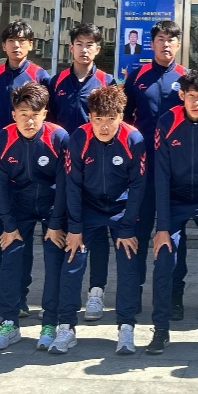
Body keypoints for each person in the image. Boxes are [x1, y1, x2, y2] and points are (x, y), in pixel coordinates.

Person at [54, 84, 146, 356]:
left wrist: (127, 226)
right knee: (72, 261)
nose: (104, 126)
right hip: (88, 207)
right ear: (90, 117)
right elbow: (72, 185)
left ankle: (126, 326)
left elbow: (138, 185)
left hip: (121, 208)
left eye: (111, 119)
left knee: (128, 264)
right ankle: (66, 326)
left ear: (121, 117)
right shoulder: (79, 138)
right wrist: (75, 227)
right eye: (98, 119)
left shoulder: (133, 139)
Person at [147, 68, 198, 357]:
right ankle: (160, 329)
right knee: (163, 258)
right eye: (191, 95)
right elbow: (161, 176)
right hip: (174, 198)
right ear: (181, 95)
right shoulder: (167, 122)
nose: (196, 102)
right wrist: (162, 228)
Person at [0, 82, 76, 352]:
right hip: (19, 206)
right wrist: (8, 225)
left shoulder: (59, 137)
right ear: (14, 114)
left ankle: (50, 323)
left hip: (52, 206)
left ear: (45, 114)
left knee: (53, 259)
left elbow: (65, 183)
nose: (29, 121)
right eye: (23, 114)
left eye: (35, 115)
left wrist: (56, 223)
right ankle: (9, 322)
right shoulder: (3, 138)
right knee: (11, 257)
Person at [0, 19, 52, 314]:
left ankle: (21, 296)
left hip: (34, 165)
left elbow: (45, 118)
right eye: (11, 40)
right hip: (3, 160)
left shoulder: (40, 76)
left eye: (22, 41)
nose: (16, 45)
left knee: (25, 238)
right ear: (3, 45)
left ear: (31, 45)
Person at [51, 22, 116, 318]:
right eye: (79, 44)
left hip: (99, 169)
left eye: (90, 45)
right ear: (71, 47)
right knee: (68, 230)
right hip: (65, 168)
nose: (84, 49)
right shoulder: (56, 82)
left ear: (98, 49)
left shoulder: (107, 81)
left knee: (98, 234)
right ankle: (64, 294)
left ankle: (96, 293)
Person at [125, 19, 188, 324]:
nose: (166, 44)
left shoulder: (185, 78)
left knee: (175, 236)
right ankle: (133, 291)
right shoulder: (137, 76)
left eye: (171, 40)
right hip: (143, 169)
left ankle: (174, 296)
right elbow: (124, 120)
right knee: (138, 232)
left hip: (177, 171)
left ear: (178, 44)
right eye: (161, 39)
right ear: (152, 44)